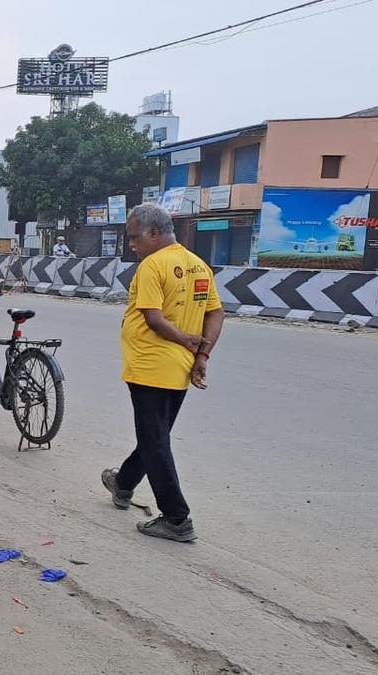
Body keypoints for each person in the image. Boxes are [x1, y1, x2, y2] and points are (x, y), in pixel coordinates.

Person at [101, 203, 224, 542]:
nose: (131, 244)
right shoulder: (198, 265)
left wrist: (188, 340)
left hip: (150, 367)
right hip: (179, 368)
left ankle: (176, 518)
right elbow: (216, 314)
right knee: (154, 437)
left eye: (134, 237)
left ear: (153, 234)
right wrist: (201, 353)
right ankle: (123, 484)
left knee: (155, 442)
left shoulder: (152, 266)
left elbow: (154, 319)